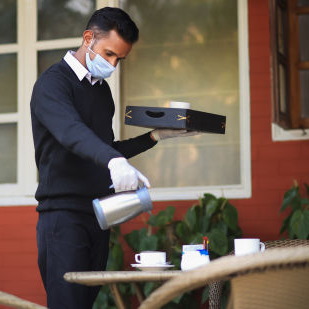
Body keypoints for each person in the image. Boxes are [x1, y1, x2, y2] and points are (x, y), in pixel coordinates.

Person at [30, 7, 197, 308]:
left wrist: (153, 137)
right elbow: (72, 133)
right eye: (108, 54)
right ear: (88, 38)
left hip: (98, 218)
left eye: (119, 59)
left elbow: (103, 148)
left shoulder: (101, 92)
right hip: (63, 219)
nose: (112, 64)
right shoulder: (52, 84)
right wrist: (113, 161)